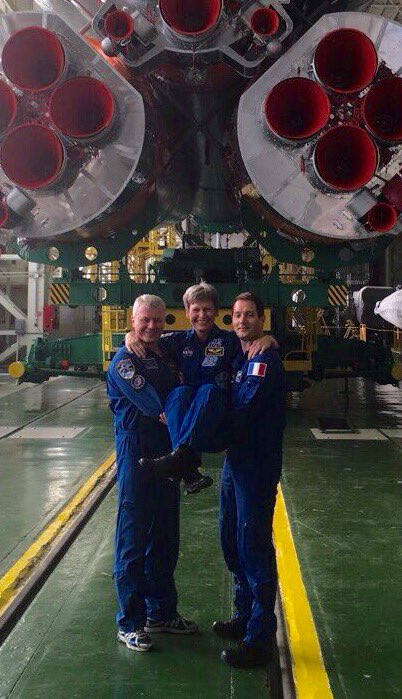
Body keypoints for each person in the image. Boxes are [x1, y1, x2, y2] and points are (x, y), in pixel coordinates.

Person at [106, 294, 199, 652]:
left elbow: (193, 340)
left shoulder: (166, 352)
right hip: (137, 453)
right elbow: (158, 408)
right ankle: (130, 621)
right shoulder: (124, 363)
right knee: (133, 539)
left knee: (165, 535)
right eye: (144, 320)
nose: (151, 326)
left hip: (166, 452)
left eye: (158, 320)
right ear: (132, 321)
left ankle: (160, 613)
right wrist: (183, 416)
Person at [126, 283, 276, 492]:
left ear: (215, 312)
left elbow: (252, 342)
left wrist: (269, 339)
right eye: (195, 309)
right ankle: (188, 470)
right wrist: (131, 335)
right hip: (188, 412)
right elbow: (150, 338)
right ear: (187, 312)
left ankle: (182, 461)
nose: (202, 315)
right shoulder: (177, 341)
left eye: (207, 309)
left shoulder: (230, 341)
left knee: (208, 390)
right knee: (180, 393)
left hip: (215, 411)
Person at [211, 292, 286, 669]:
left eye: (249, 315)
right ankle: (244, 614)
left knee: (253, 545)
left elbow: (244, 410)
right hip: (234, 463)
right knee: (230, 538)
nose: (242, 321)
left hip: (255, 465)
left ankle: (259, 637)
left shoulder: (264, 361)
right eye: (237, 315)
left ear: (262, 318)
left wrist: (204, 437)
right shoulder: (240, 354)